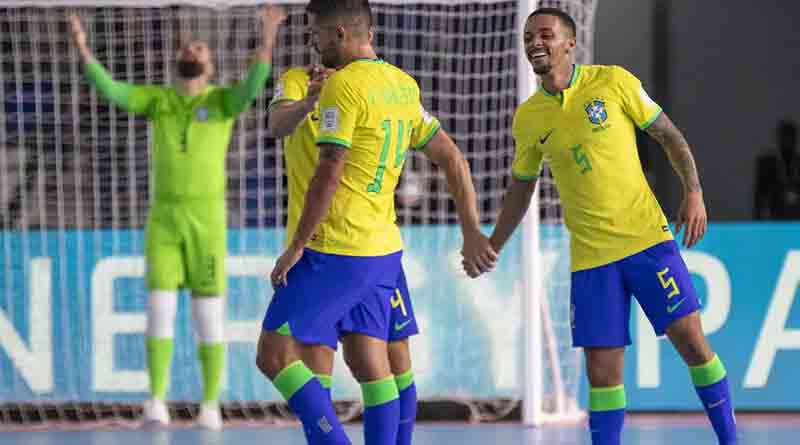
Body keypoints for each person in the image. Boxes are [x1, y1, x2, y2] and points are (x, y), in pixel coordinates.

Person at [472, 8, 738, 445]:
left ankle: (730, 440)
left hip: (647, 243)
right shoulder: (529, 118)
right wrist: (495, 243)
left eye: (545, 34)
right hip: (592, 261)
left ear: (570, 43)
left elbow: (669, 136)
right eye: (528, 37)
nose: (535, 42)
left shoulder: (614, 82)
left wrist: (693, 191)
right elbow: (522, 187)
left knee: (692, 344)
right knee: (602, 375)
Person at [255, 1, 496, 444]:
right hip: (381, 250)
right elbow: (451, 155)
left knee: (275, 355)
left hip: (334, 245)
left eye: (318, 33)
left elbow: (330, 167)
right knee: (370, 362)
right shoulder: (400, 85)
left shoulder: (343, 88)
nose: (313, 41)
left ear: (341, 34)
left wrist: (296, 245)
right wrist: (471, 230)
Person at [68, 7, 287, 430]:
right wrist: (81, 46)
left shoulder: (222, 102)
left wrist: (268, 35)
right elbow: (112, 90)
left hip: (207, 224)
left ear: (210, 65)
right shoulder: (159, 101)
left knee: (208, 314)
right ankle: (155, 399)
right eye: (188, 45)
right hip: (164, 222)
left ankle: (210, 404)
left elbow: (255, 83)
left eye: (200, 47)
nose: (192, 48)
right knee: (159, 308)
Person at [754, 120, 800, 219]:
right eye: (785, 137)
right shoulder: (766, 164)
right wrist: (758, 223)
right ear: (779, 138)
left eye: (791, 137)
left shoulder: (797, 162)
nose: (788, 141)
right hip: (776, 218)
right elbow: (759, 196)